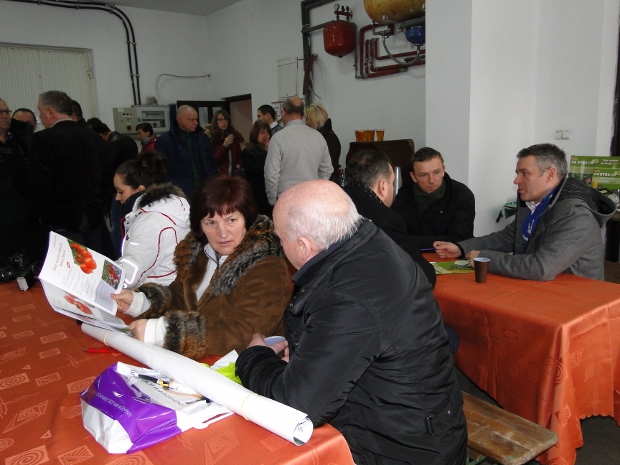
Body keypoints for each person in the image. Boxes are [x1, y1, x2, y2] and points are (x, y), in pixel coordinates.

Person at [235, 180, 467, 465]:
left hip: (408, 450)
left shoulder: (349, 296)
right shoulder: (368, 242)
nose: (281, 246)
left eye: (281, 239)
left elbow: (298, 403)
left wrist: (254, 357)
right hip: (420, 419)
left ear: (305, 246)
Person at [111, 175, 292, 359]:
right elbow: (178, 299)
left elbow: (246, 333)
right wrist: (140, 302)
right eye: (211, 222)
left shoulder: (268, 266)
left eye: (231, 220)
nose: (222, 233)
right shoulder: (199, 253)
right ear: (200, 226)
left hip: (245, 369)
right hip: (198, 364)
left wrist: (164, 332)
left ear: (247, 218)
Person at [435, 143, 616, 281]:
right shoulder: (537, 203)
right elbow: (507, 237)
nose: (516, 180)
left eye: (524, 173)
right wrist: (461, 248)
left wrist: (484, 258)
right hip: (541, 291)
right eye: (517, 173)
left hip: (576, 303)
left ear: (550, 174)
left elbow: (541, 268)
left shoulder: (577, 215)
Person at [344, 149, 436, 286]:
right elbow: (423, 276)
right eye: (392, 183)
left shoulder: (330, 204)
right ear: (383, 186)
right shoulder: (385, 219)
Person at [30, 90, 104, 253]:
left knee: (71, 264)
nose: (39, 116)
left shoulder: (43, 138)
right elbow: (103, 174)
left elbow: (41, 182)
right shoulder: (93, 136)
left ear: (50, 111)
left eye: (39, 111)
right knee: (95, 262)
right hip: (93, 213)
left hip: (63, 217)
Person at [114, 150, 190, 288]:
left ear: (139, 189)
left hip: (159, 294)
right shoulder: (169, 208)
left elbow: (127, 277)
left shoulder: (150, 223)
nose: (117, 198)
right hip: (175, 288)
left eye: (120, 191)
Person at [392, 147, 475, 249]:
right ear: (413, 177)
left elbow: (461, 238)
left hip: (451, 255)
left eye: (436, 172)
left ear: (443, 170)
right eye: (424, 175)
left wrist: (412, 241)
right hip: (412, 253)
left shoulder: (462, 195)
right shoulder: (404, 194)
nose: (431, 180)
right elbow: (396, 235)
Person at [264, 97, 333, 205]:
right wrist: (315, 186)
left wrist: (272, 200)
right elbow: (327, 169)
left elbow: (271, 174)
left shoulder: (278, 138)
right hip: (311, 198)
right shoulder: (318, 137)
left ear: (283, 112)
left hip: (286, 199)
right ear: (303, 113)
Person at [154, 105, 217, 199]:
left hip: (205, 190)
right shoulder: (165, 141)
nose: (196, 123)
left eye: (196, 119)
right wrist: (174, 188)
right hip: (179, 193)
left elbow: (211, 162)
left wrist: (212, 179)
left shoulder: (202, 138)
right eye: (191, 120)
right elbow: (162, 170)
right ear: (180, 120)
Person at [0, 99, 36, 263]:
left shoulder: (19, 141)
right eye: (0, 113)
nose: (5, 116)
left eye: (6, 112)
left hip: (24, 214)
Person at [241, 119, 272, 217]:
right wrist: (265, 152)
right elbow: (255, 171)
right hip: (256, 194)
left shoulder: (273, 149)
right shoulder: (248, 151)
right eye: (262, 132)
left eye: (268, 132)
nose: (266, 135)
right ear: (255, 134)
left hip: (270, 191)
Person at [304, 103, 341, 182]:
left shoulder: (329, 138)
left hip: (325, 183)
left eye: (307, 119)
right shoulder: (320, 137)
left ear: (314, 120)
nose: (305, 123)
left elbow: (329, 167)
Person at [205, 109, 244, 176]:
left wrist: (239, 165)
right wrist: (224, 146)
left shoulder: (233, 136)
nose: (224, 122)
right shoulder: (212, 138)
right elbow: (212, 160)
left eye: (225, 119)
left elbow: (240, 155)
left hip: (233, 174)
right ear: (215, 121)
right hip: (219, 175)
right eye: (220, 120)